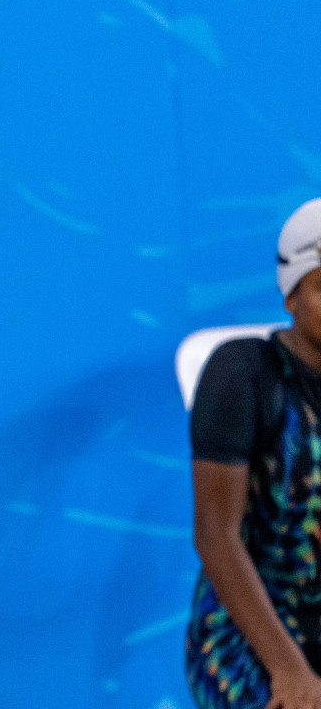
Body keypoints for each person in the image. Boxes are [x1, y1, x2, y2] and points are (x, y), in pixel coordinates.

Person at [188, 198, 321, 708]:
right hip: (246, 637)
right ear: (290, 296)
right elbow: (215, 536)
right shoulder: (243, 373)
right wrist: (291, 671)